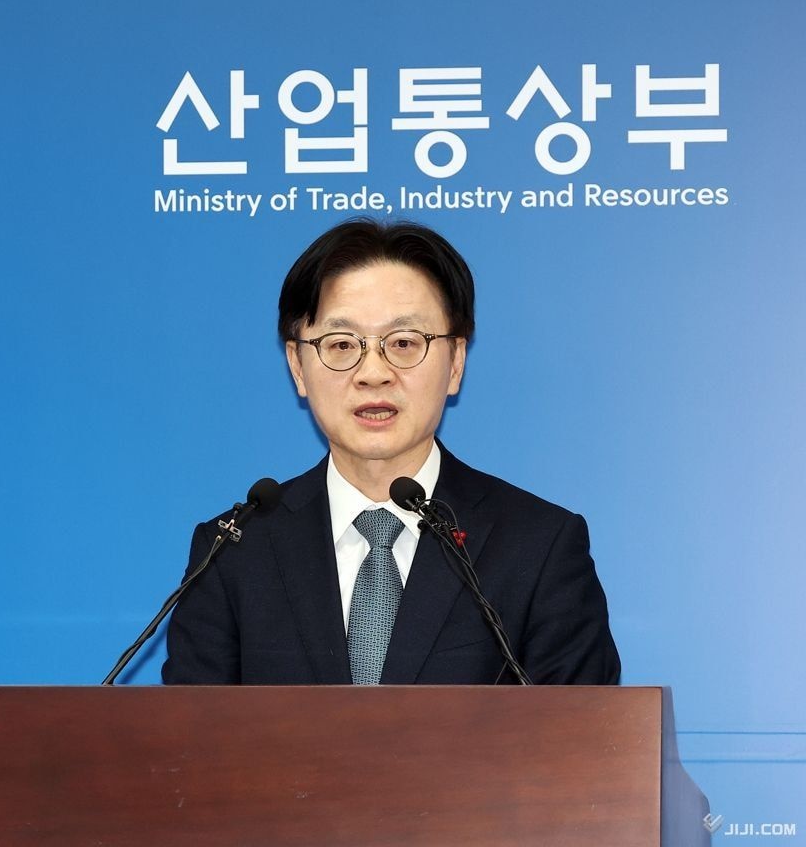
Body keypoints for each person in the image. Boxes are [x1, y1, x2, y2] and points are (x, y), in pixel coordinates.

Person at [162, 218, 621, 685]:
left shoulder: (538, 547)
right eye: (341, 344)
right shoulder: (232, 551)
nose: (373, 373)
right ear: (298, 366)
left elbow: (582, 728)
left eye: (403, 343)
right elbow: (189, 729)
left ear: (456, 362)